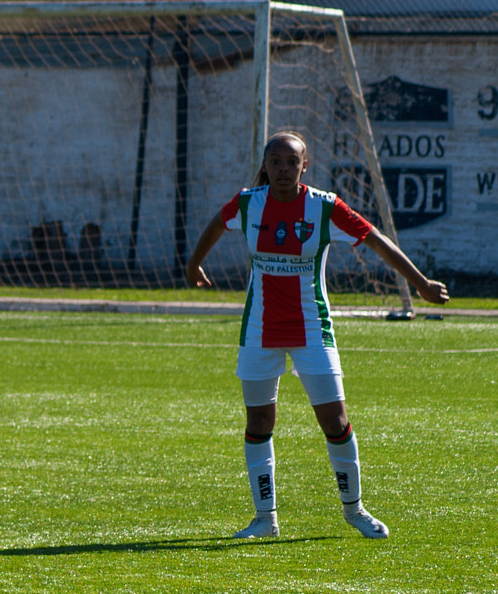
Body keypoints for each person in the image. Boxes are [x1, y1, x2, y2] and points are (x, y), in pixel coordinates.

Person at [184, 131, 448, 540]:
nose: (283, 169)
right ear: (266, 165)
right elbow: (218, 223)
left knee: (336, 421)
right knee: (258, 422)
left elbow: (375, 240)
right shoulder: (248, 202)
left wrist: (419, 282)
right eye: (276, 161)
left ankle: (355, 511)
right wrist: (194, 265)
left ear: (305, 165)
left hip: (312, 331)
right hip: (258, 330)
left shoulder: (323, 207)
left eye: (292, 162)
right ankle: (264, 519)